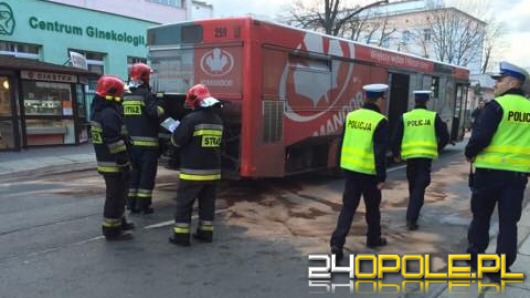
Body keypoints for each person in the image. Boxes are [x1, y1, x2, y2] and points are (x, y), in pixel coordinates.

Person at [465, 61, 530, 273]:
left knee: (481, 217)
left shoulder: (497, 106)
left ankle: (475, 258)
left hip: (489, 174)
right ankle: (501, 268)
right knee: (509, 223)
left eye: (500, 80)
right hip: (517, 177)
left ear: (513, 82)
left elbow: (481, 137)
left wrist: (470, 152)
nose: (496, 85)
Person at [330, 83, 389, 261]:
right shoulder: (380, 121)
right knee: (372, 208)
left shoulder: (351, 116)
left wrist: (339, 165)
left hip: (351, 171)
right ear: (379, 99)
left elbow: (342, 142)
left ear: (365, 97)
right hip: (369, 173)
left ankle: (337, 243)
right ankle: (373, 239)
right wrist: (381, 177)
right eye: (382, 99)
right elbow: (379, 152)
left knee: (348, 208)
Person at [168, 84, 224, 247]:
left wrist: (175, 133)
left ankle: (181, 237)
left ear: (195, 102)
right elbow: (222, 146)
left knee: (184, 204)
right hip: (213, 172)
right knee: (207, 204)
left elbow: (177, 141)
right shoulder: (218, 121)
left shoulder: (191, 119)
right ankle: (205, 233)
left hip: (192, 172)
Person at [391, 90, 449, 231]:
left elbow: (395, 139)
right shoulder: (433, 117)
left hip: (410, 158)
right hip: (425, 158)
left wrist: (396, 154)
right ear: (427, 100)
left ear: (414, 101)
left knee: (414, 186)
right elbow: (445, 136)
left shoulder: (405, 117)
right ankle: (412, 217)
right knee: (420, 186)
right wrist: (437, 148)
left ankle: (412, 212)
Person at [90, 75, 135, 241]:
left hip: (108, 162)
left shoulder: (100, 110)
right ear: (111, 93)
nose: (122, 97)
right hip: (114, 163)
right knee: (115, 197)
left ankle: (120, 221)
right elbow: (114, 141)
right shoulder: (109, 113)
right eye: (120, 94)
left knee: (120, 195)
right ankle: (111, 230)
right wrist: (123, 163)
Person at [122, 63, 165, 214]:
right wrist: (160, 99)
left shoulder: (125, 95)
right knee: (147, 176)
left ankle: (131, 203)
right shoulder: (145, 95)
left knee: (135, 174)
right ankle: (143, 205)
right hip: (148, 146)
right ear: (145, 77)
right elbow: (156, 113)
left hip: (131, 144)